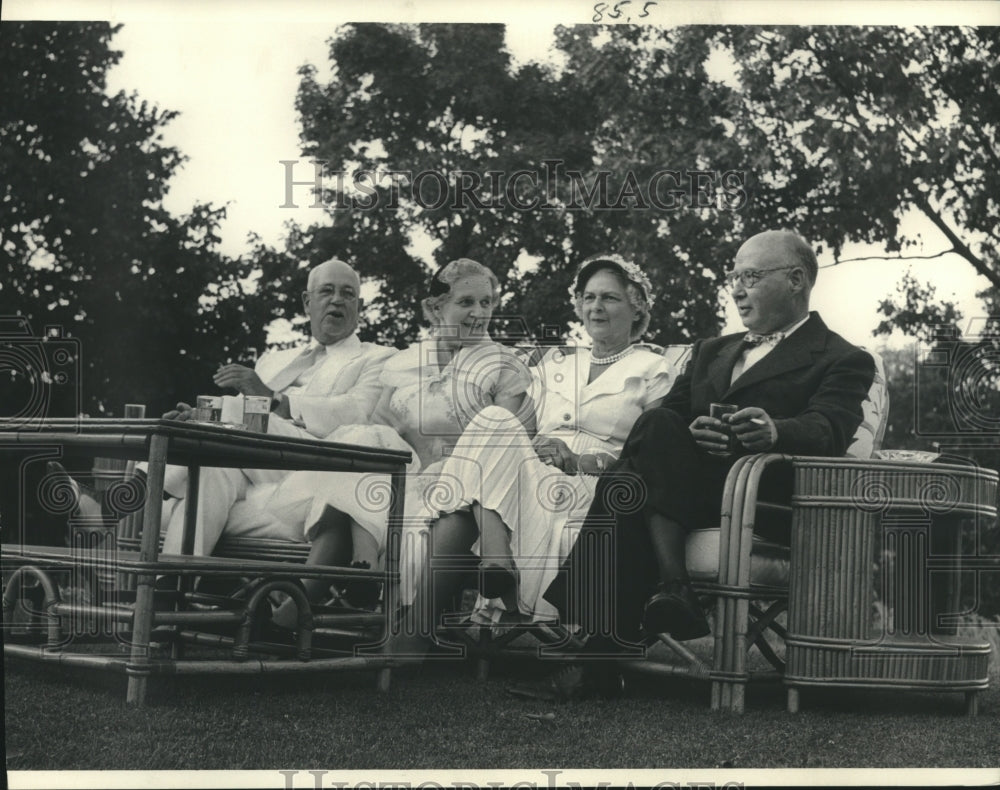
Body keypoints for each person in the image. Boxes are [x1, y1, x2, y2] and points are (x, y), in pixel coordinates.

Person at [530, 229, 878, 701]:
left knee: (631, 477)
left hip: (757, 495)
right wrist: (691, 431)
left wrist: (775, 430)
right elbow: (669, 414)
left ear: (796, 280)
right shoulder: (712, 349)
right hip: (686, 484)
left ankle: (618, 638)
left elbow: (829, 430)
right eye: (733, 276)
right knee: (647, 442)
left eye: (750, 276)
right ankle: (653, 608)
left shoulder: (843, 358)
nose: (736, 288)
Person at [405, 254, 674, 642]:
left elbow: (653, 454)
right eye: (589, 297)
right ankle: (496, 560)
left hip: (597, 486)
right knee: (494, 420)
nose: (596, 306)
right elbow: (518, 429)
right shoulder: (554, 362)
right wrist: (537, 445)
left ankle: (422, 624)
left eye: (610, 298)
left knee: (470, 496)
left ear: (637, 308)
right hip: (536, 470)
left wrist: (583, 459)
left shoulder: (654, 369)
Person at [54, 258, 396, 558]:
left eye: (348, 293)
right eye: (327, 291)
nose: (337, 299)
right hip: (256, 461)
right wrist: (197, 419)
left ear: (359, 305)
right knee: (211, 470)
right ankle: (168, 601)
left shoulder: (378, 357)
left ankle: (112, 506)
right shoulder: (275, 360)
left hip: (319, 462)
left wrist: (274, 399)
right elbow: (244, 423)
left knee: (235, 409)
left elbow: (356, 413)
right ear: (308, 302)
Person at [265, 258, 533, 627]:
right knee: (361, 441)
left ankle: (314, 594)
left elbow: (511, 441)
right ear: (437, 308)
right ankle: (357, 567)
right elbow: (378, 429)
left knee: (354, 487)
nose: (479, 312)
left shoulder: (504, 365)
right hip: (400, 478)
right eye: (467, 302)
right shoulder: (405, 362)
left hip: (466, 484)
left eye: (487, 303)